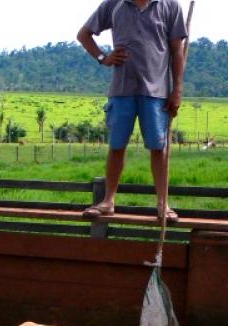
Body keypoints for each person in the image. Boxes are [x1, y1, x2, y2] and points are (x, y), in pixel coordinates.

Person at [77, 0, 187, 221]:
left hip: (156, 91)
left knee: (159, 147)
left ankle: (163, 204)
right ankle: (108, 201)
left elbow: (177, 51)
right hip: (122, 89)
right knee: (117, 146)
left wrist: (177, 90)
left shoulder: (170, 6)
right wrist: (103, 58)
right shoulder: (114, 4)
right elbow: (84, 34)